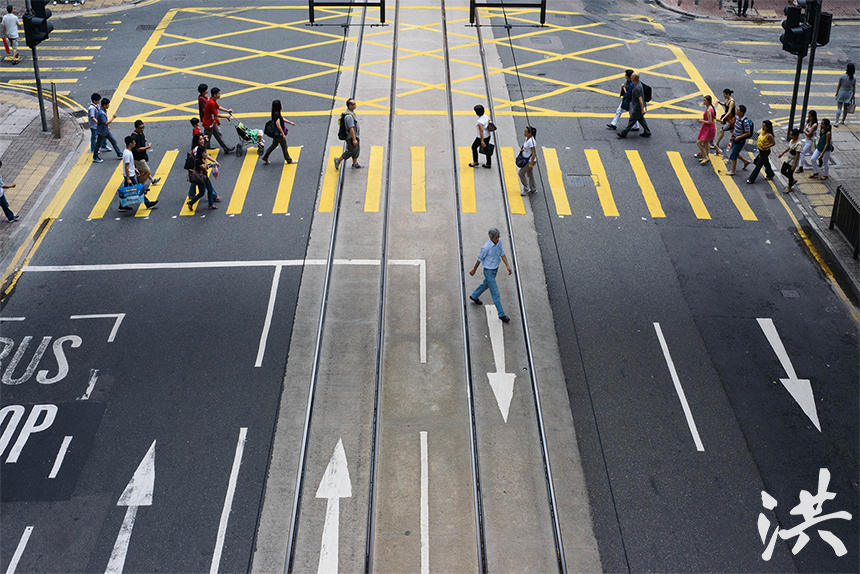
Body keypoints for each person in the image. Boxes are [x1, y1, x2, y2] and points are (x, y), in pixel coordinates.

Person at [469, 227, 513, 323]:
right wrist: (474, 270)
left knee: (486, 284)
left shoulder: (499, 242)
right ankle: (501, 314)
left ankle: (474, 296)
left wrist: (507, 266)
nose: (498, 239)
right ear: (491, 237)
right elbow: (479, 259)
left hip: (494, 270)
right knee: (495, 294)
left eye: (498, 237)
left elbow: (502, 253)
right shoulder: (486, 247)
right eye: (496, 237)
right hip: (488, 271)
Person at [119, 136, 158, 212]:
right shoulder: (127, 153)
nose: (135, 143)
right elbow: (126, 167)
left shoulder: (128, 152)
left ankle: (121, 205)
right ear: (130, 143)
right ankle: (147, 203)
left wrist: (135, 169)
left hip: (130, 174)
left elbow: (129, 165)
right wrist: (128, 178)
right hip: (130, 175)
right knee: (138, 190)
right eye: (134, 142)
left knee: (126, 191)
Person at [187, 133, 221, 203]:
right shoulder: (196, 149)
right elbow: (201, 158)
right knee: (202, 182)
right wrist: (206, 162)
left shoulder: (201, 147)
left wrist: (214, 161)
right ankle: (214, 196)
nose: (202, 141)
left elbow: (206, 155)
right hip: (198, 169)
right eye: (200, 139)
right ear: (197, 141)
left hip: (198, 169)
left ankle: (191, 194)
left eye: (202, 139)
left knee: (195, 180)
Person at [262, 99, 296, 165]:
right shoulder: (276, 114)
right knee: (284, 147)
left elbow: (281, 119)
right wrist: (283, 134)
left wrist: (290, 122)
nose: (282, 105)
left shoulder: (275, 113)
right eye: (281, 104)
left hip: (276, 134)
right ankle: (289, 160)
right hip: (279, 134)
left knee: (274, 145)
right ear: (278, 106)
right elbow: (278, 125)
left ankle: (265, 157)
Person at [617, 72, 651, 138]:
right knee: (641, 119)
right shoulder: (638, 84)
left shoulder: (637, 88)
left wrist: (642, 109)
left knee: (631, 121)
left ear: (634, 78)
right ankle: (647, 131)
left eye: (632, 77)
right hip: (637, 106)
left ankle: (624, 133)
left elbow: (640, 99)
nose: (631, 78)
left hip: (637, 107)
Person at [202, 87, 234, 153]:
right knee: (206, 139)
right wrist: (226, 116)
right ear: (214, 95)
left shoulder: (212, 100)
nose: (220, 95)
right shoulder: (211, 103)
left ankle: (226, 148)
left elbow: (218, 107)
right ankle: (201, 152)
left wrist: (227, 110)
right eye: (218, 94)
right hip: (209, 124)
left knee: (218, 135)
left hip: (212, 123)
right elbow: (216, 115)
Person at [130, 120, 160, 189]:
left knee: (140, 173)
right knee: (148, 171)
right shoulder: (134, 137)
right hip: (138, 158)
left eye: (143, 127)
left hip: (141, 157)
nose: (142, 129)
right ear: (136, 128)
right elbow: (138, 149)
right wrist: (148, 147)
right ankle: (140, 187)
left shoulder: (141, 134)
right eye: (140, 128)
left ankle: (142, 184)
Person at [333, 98, 361, 170]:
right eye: (354, 104)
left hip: (355, 135)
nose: (355, 105)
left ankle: (355, 164)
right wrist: (354, 139)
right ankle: (338, 160)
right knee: (351, 151)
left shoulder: (351, 113)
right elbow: (351, 128)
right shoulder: (349, 116)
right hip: (351, 137)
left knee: (356, 150)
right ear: (350, 106)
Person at [93, 98, 123, 163]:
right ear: (104, 105)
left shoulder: (104, 111)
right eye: (108, 105)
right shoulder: (101, 113)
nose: (108, 106)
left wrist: (107, 126)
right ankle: (95, 157)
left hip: (105, 130)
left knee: (113, 141)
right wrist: (113, 117)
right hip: (102, 132)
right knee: (98, 144)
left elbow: (104, 123)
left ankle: (119, 153)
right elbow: (105, 122)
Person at [747, 119, 776, 184]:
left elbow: (773, 143)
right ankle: (770, 174)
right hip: (761, 151)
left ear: (768, 127)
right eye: (762, 126)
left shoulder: (769, 135)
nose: (763, 127)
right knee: (766, 163)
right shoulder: (762, 132)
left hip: (765, 152)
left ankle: (751, 179)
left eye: (764, 126)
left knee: (758, 165)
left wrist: (767, 146)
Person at [726, 105, 752, 175]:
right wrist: (732, 136)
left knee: (733, 154)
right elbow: (735, 128)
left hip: (739, 141)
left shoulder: (745, 121)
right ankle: (745, 161)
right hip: (735, 138)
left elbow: (748, 133)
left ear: (742, 112)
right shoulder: (737, 118)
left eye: (738, 110)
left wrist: (739, 137)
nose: (736, 111)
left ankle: (733, 170)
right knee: (735, 152)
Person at [778, 128, 802, 194]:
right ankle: (792, 180)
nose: (790, 136)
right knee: (783, 171)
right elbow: (789, 147)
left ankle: (789, 187)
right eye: (790, 134)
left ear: (795, 136)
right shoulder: (792, 140)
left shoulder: (799, 144)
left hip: (793, 160)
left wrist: (794, 164)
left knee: (790, 174)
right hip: (788, 158)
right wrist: (782, 153)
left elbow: (797, 155)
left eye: (791, 135)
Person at [695, 95, 716, 165]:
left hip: (708, 128)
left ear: (709, 101)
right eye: (703, 100)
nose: (704, 102)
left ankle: (705, 157)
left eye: (705, 100)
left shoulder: (708, 111)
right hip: (708, 127)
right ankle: (706, 156)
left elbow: (709, 121)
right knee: (706, 143)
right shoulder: (710, 108)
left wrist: (701, 121)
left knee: (699, 143)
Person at [713, 89, 735, 154]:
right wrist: (720, 103)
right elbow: (724, 104)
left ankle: (716, 144)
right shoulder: (728, 99)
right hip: (728, 118)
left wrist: (723, 118)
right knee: (732, 131)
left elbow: (729, 111)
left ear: (728, 94)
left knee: (722, 130)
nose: (724, 96)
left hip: (731, 119)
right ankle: (737, 140)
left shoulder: (732, 102)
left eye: (724, 95)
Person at [518, 126, 538, 196]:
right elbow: (527, 148)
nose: (524, 133)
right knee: (530, 174)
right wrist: (523, 150)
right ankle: (533, 189)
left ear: (530, 133)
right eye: (524, 131)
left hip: (529, 161)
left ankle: (526, 189)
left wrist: (531, 163)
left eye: (526, 132)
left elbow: (533, 153)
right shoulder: (527, 138)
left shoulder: (531, 141)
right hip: (526, 158)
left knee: (521, 173)